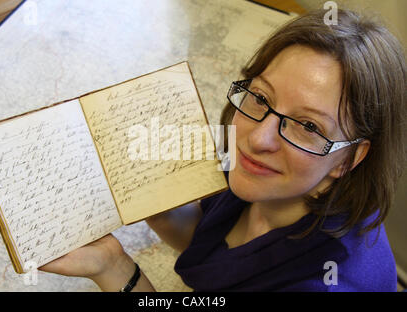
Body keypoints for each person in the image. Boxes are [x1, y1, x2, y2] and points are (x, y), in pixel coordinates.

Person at [39, 8, 406, 291]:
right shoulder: (274, 175)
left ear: (351, 158)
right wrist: (161, 208)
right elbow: (215, 246)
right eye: (262, 96)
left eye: (308, 126)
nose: (257, 139)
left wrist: (113, 268)